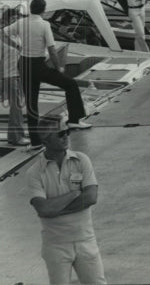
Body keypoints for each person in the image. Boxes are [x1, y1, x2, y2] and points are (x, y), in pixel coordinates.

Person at [0, 0, 91, 147]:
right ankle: (74, 120)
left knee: (31, 103)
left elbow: (0, 34)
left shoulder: (21, 22)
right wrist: (59, 67)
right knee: (71, 84)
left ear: (31, 8)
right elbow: (52, 50)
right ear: (43, 10)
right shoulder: (44, 24)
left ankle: (35, 142)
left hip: (23, 65)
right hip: (38, 65)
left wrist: (16, 45)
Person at [26, 116, 106, 285]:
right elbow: (43, 210)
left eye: (67, 132)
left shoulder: (81, 160)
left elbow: (91, 197)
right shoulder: (34, 173)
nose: (66, 136)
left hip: (86, 240)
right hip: (56, 246)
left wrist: (55, 209)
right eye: (61, 133)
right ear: (46, 139)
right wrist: (74, 194)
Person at [0, 6, 28, 147]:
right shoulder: (0, 38)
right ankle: (18, 137)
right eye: (13, 19)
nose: (15, 21)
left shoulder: (18, 36)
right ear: (7, 21)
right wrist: (0, 80)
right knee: (16, 107)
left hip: (19, 74)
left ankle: (13, 136)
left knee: (17, 106)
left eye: (17, 18)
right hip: (9, 75)